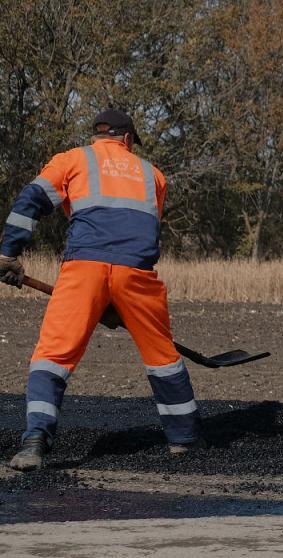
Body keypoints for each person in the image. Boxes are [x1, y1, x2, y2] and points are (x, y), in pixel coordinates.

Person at [0, 109, 202, 471]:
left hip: (84, 270)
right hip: (137, 274)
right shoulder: (153, 175)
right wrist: (119, 300)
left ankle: (34, 444)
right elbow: (145, 234)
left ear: (99, 137)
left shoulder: (72, 160)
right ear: (127, 140)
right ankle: (185, 441)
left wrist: (8, 254)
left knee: (53, 356)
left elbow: (29, 201)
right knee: (163, 358)